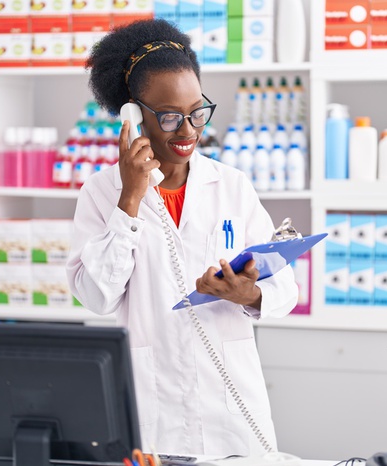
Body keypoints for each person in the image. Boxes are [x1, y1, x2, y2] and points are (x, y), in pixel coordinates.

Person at [66, 19, 298, 456]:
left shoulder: (232, 186)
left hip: (231, 408)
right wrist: (130, 197)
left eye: (197, 111)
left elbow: (284, 286)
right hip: (152, 410)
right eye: (170, 117)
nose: (189, 130)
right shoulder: (101, 193)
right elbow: (96, 296)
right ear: (133, 114)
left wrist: (248, 293)